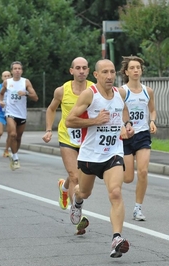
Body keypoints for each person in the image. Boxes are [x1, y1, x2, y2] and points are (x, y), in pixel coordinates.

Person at [65, 59, 134, 258]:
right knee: (84, 192)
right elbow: (70, 120)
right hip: (90, 155)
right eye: (105, 72)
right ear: (96, 75)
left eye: (112, 72)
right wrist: (95, 120)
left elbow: (124, 110)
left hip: (113, 153)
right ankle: (76, 202)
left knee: (115, 192)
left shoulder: (120, 93)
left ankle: (116, 238)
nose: (110, 76)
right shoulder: (90, 95)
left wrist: (127, 124)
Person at [42, 57, 93, 234]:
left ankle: (64, 187)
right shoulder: (61, 91)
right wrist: (49, 129)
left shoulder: (95, 90)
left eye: (84, 68)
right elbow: (50, 109)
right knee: (75, 175)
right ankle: (76, 210)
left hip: (88, 139)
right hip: (67, 137)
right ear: (71, 71)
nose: (81, 71)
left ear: (88, 70)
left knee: (77, 174)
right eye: (77, 68)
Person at [118, 56, 157, 221]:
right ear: (126, 72)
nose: (135, 70)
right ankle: (111, 178)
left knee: (143, 171)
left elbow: (152, 110)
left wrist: (153, 121)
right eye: (132, 68)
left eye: (138, 68)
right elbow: (116, 112)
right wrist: (122, 127)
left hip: (142, 134)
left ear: (141, 71)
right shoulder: (121, 91)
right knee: (128, 178)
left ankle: (138, 208)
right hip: (126, 136)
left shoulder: (148, 91)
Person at [0, 61, 39, 170]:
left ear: (22, 71)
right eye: (15, 68)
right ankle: (15, 158)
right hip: (10, 112)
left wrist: (25, 93)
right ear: (12, 71)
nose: (17, 70)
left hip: (21, 114)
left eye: (19, 68)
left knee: (19, 137)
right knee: (12, 134)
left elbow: (35, 97)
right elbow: (1, 93)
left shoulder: (25, 82)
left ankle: (15, 153)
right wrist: (1, 101)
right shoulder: (7, 82)